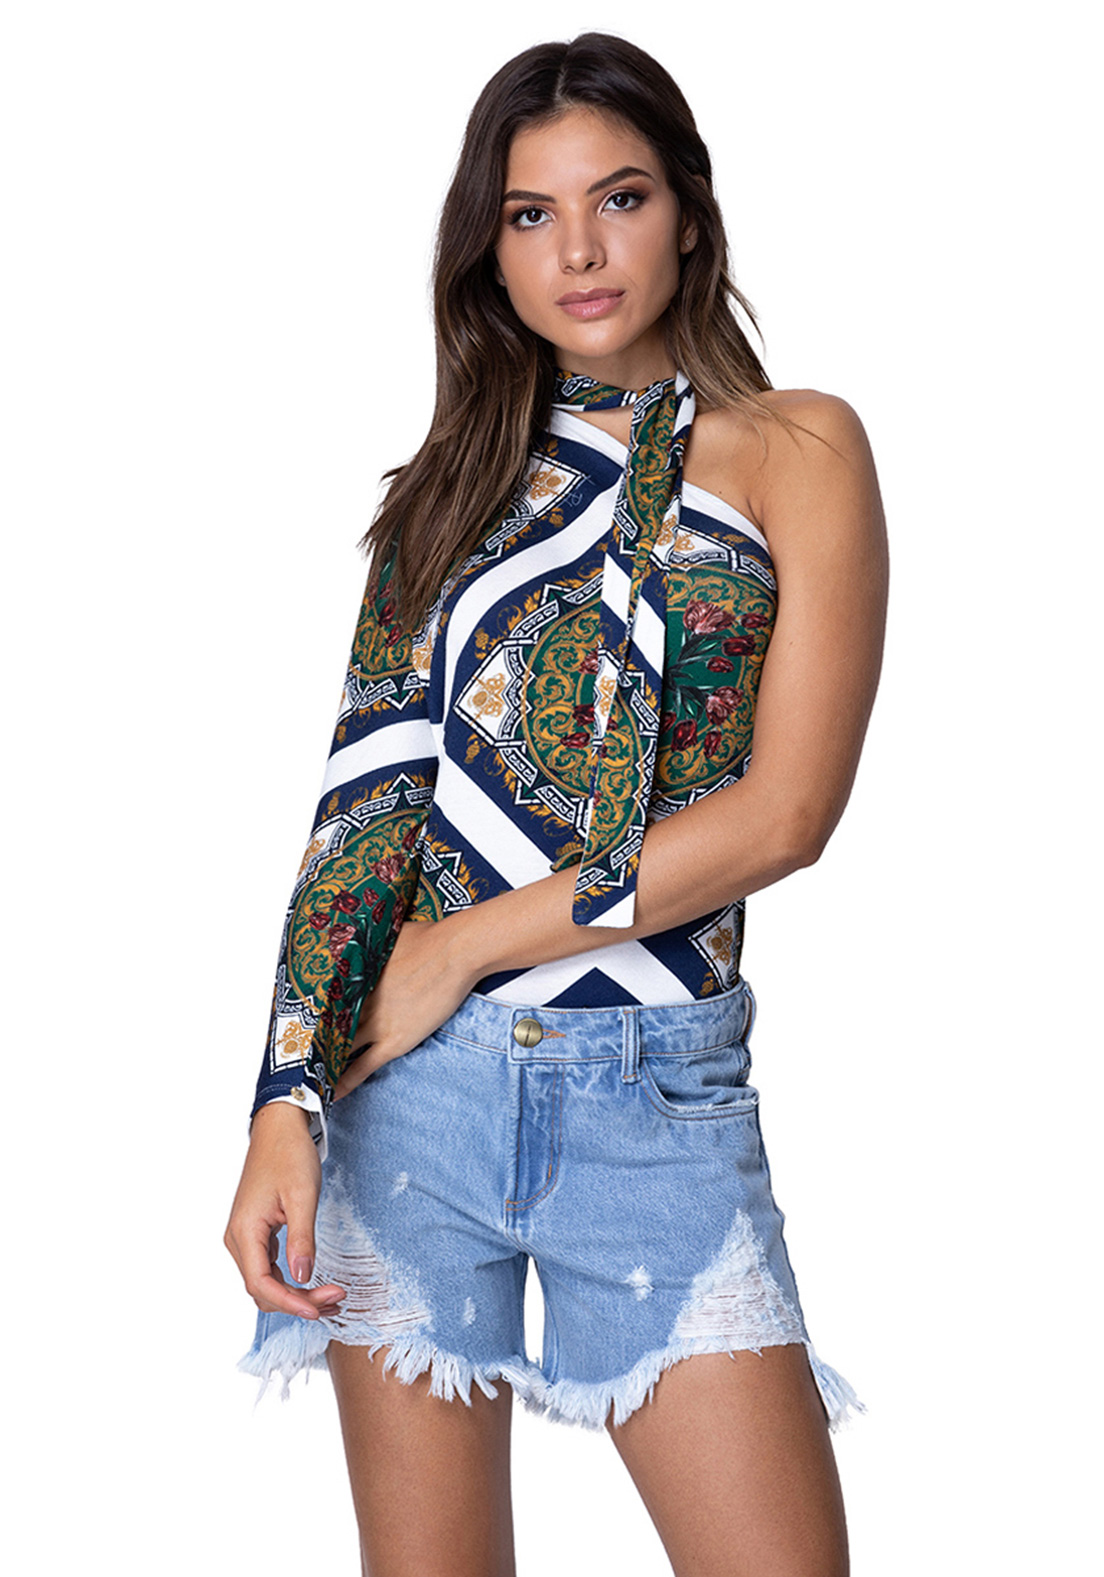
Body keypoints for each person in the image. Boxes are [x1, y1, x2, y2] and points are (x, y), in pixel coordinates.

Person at [225, 31, 888, 1577]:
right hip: (412, 1103)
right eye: (532, 215)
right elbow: (366, 817)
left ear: (690, 214)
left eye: (620, 198)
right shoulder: (450, 492)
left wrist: (466, 945)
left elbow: (787, 814)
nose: (579, 250)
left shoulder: (798, 448)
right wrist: (280, 1099)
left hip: (653, 1096)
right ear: (492, 251)